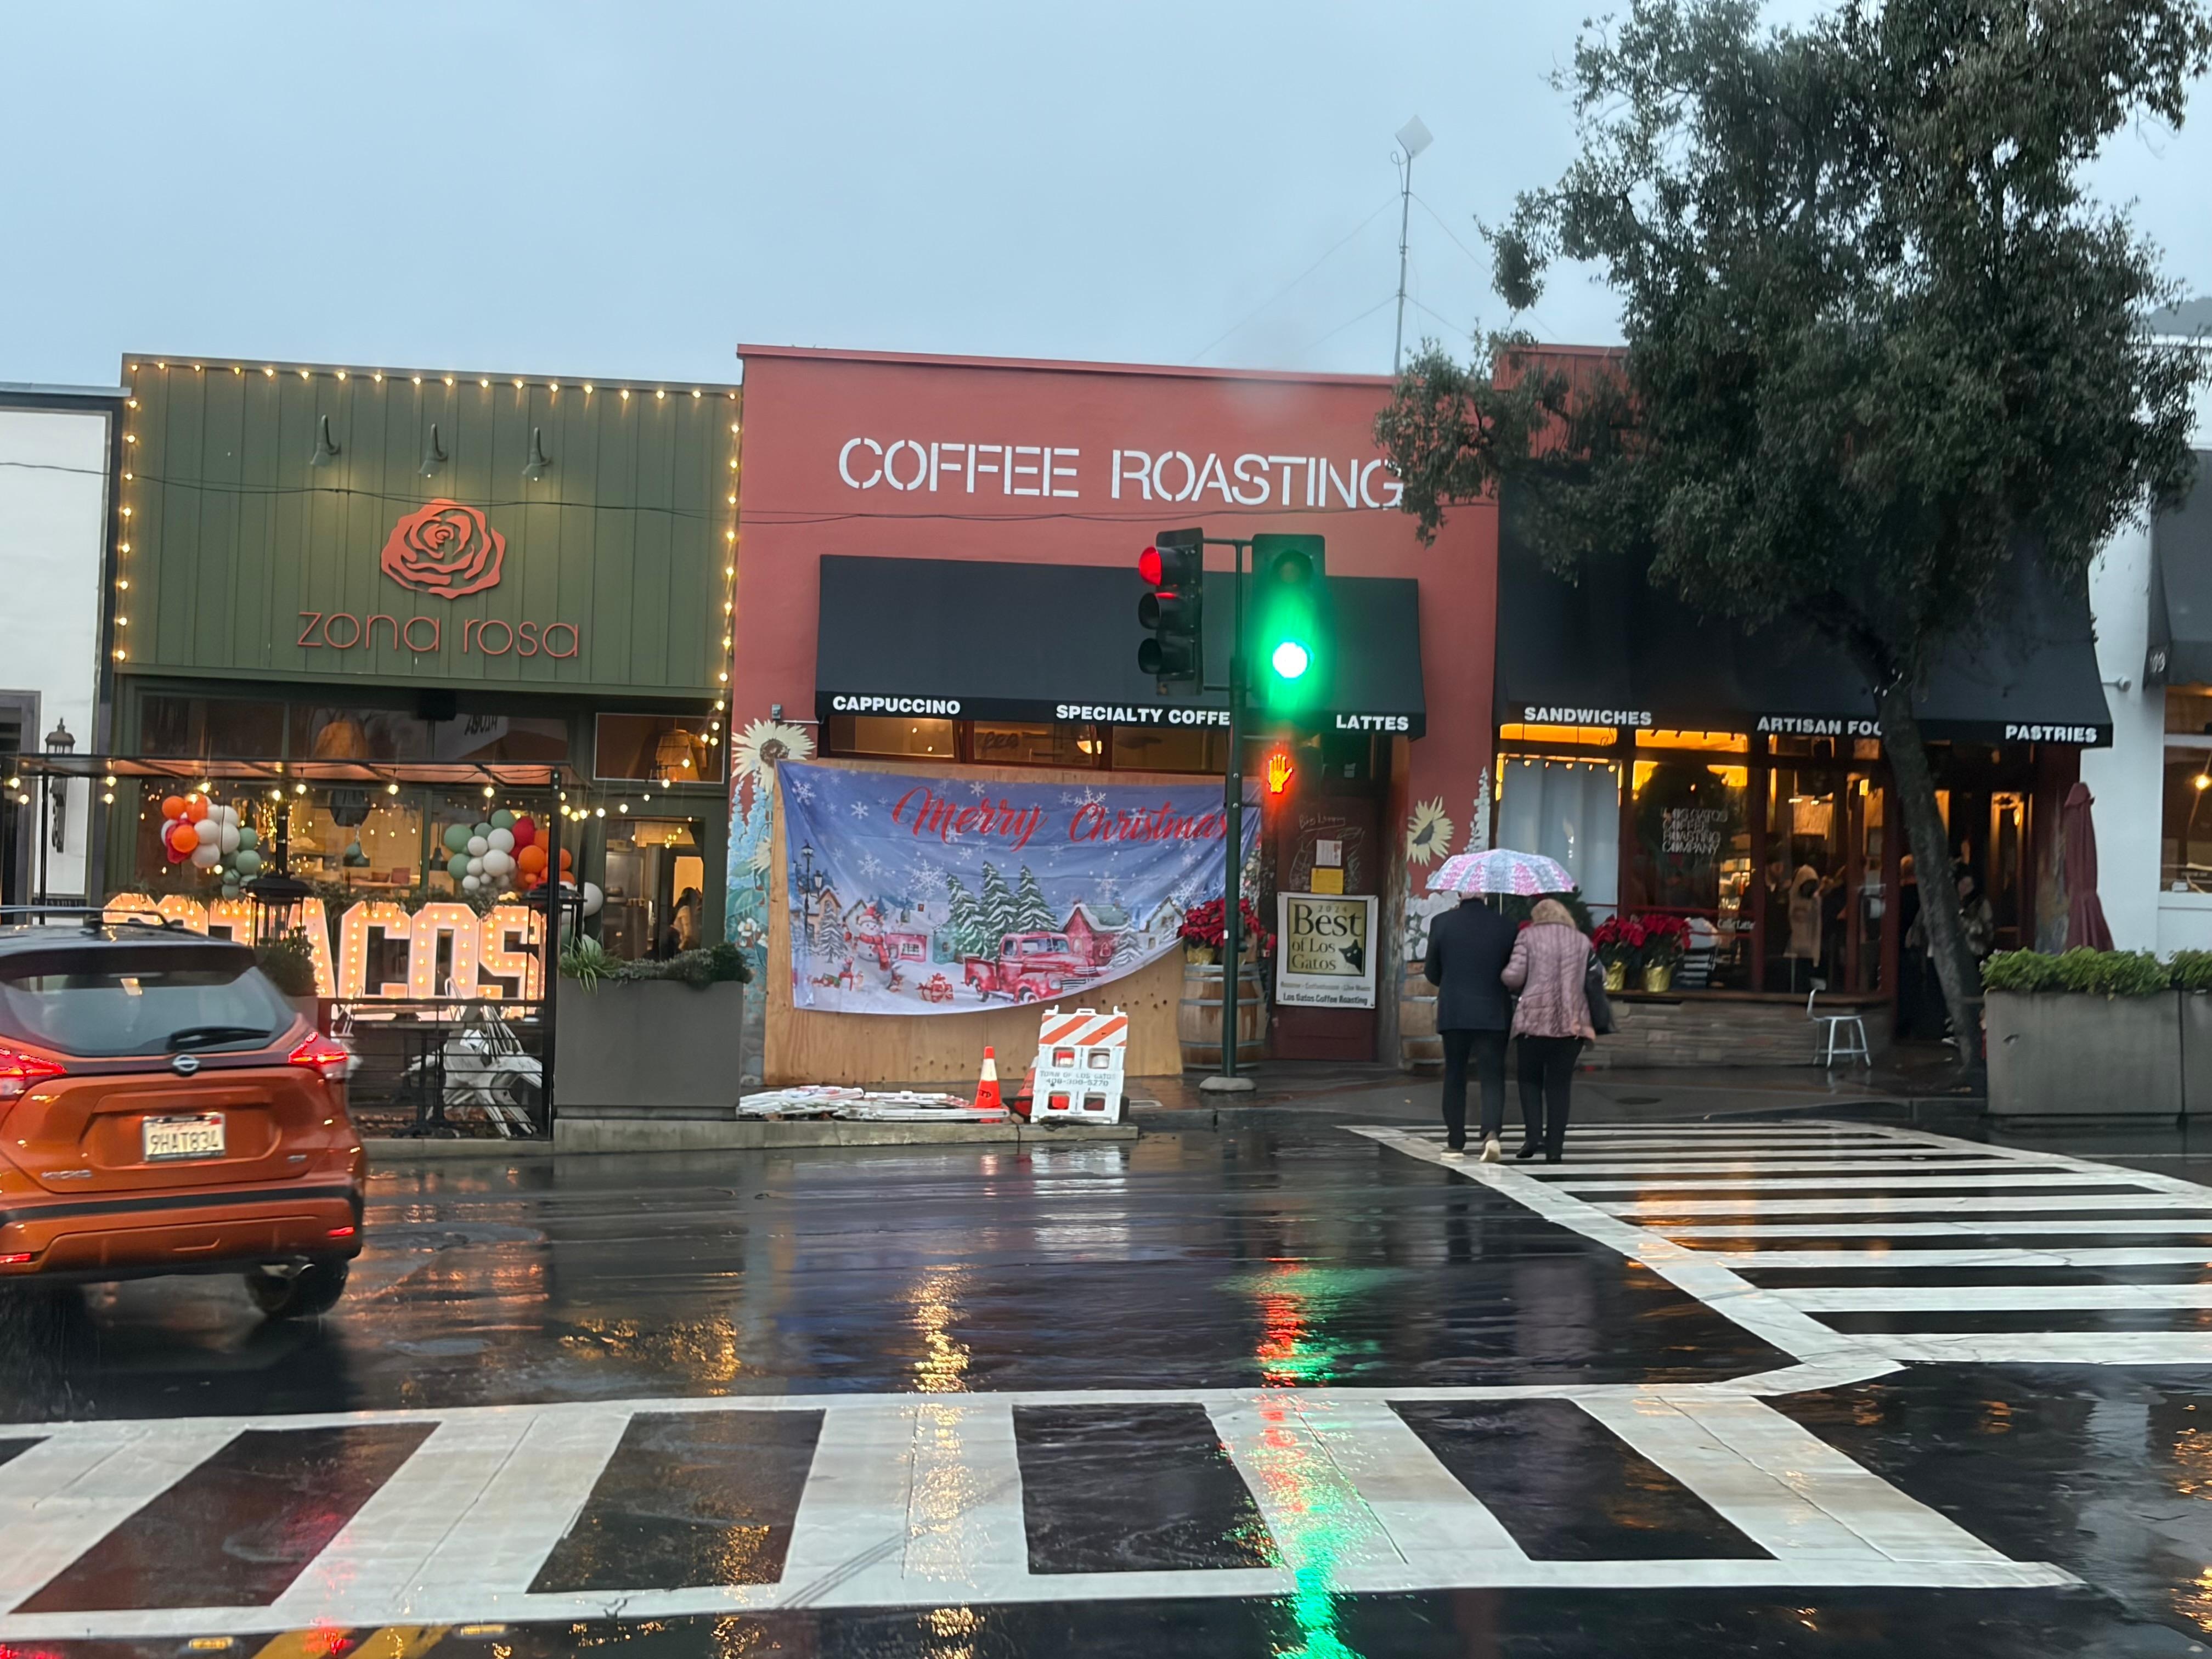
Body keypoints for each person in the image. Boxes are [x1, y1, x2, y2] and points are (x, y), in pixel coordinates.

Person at [1423, 893, 1519, 1161]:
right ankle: (1491, 1134)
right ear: (1485, 895)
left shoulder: (1441, 922)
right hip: (1493, 1011)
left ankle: (1455, 1142)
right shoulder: (1507, 925)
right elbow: (1513, 971)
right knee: (1493, 1076)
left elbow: (1432, 971)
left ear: (1460, 894)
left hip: (1455, 1010)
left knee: (1455, 1074)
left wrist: (1452, 982)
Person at [1502, 898, 1595, 1163]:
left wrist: (1503, 974)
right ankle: (1555, 1149)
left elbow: (1514, 977)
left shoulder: (1528, 937)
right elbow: (1599, 976)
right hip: (1572, 1024)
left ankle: (1534, 1137)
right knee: (1559, 1086)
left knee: (1529, 1080)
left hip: (1534, 1021)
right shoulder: (1581, 941)